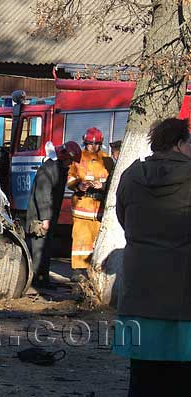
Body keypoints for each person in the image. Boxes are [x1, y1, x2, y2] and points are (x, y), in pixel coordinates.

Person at [113, 118, 191, 396]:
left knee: (143, 376)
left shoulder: (132, 175)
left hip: (139, 289)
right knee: (182, 376)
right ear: (180, 144)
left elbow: (123, 219)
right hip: (183, 293)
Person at [26, 141, 82, 287]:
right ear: (64, 156)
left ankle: (43, 279)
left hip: (49, 216)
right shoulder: (49, 169)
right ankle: (37, 281)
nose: (70, 164)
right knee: (39, 249)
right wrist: (45, 218)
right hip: (40, 218)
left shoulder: (58, 169)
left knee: (46, 249)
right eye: (70, 160)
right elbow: (43, 195)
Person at [66, 127, 113, 281]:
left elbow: (112, 182)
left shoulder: (107, 160)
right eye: (89, 144)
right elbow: (70, 179)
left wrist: (103, 186)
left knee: (96, 243)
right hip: (82, 207)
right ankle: (78, 271)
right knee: (81, 240)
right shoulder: (77, 158)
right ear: (84, 142)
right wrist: (79, 185)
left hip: (99, 208)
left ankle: (96, 272)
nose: (92, 147)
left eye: (96, 144)